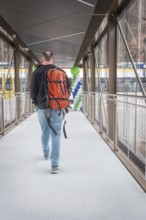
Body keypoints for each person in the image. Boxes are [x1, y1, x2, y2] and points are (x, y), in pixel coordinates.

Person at [30, 51, 64, 174]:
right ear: (52, 60)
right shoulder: (60, 71)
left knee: (45, 131)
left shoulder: (36, 72)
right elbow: (67, 88)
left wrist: (37, 102)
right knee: (56, 134)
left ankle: (45, 153)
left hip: (42, 107)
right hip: (57, 107)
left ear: (42, 60)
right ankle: (54, 165)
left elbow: (32, 92)